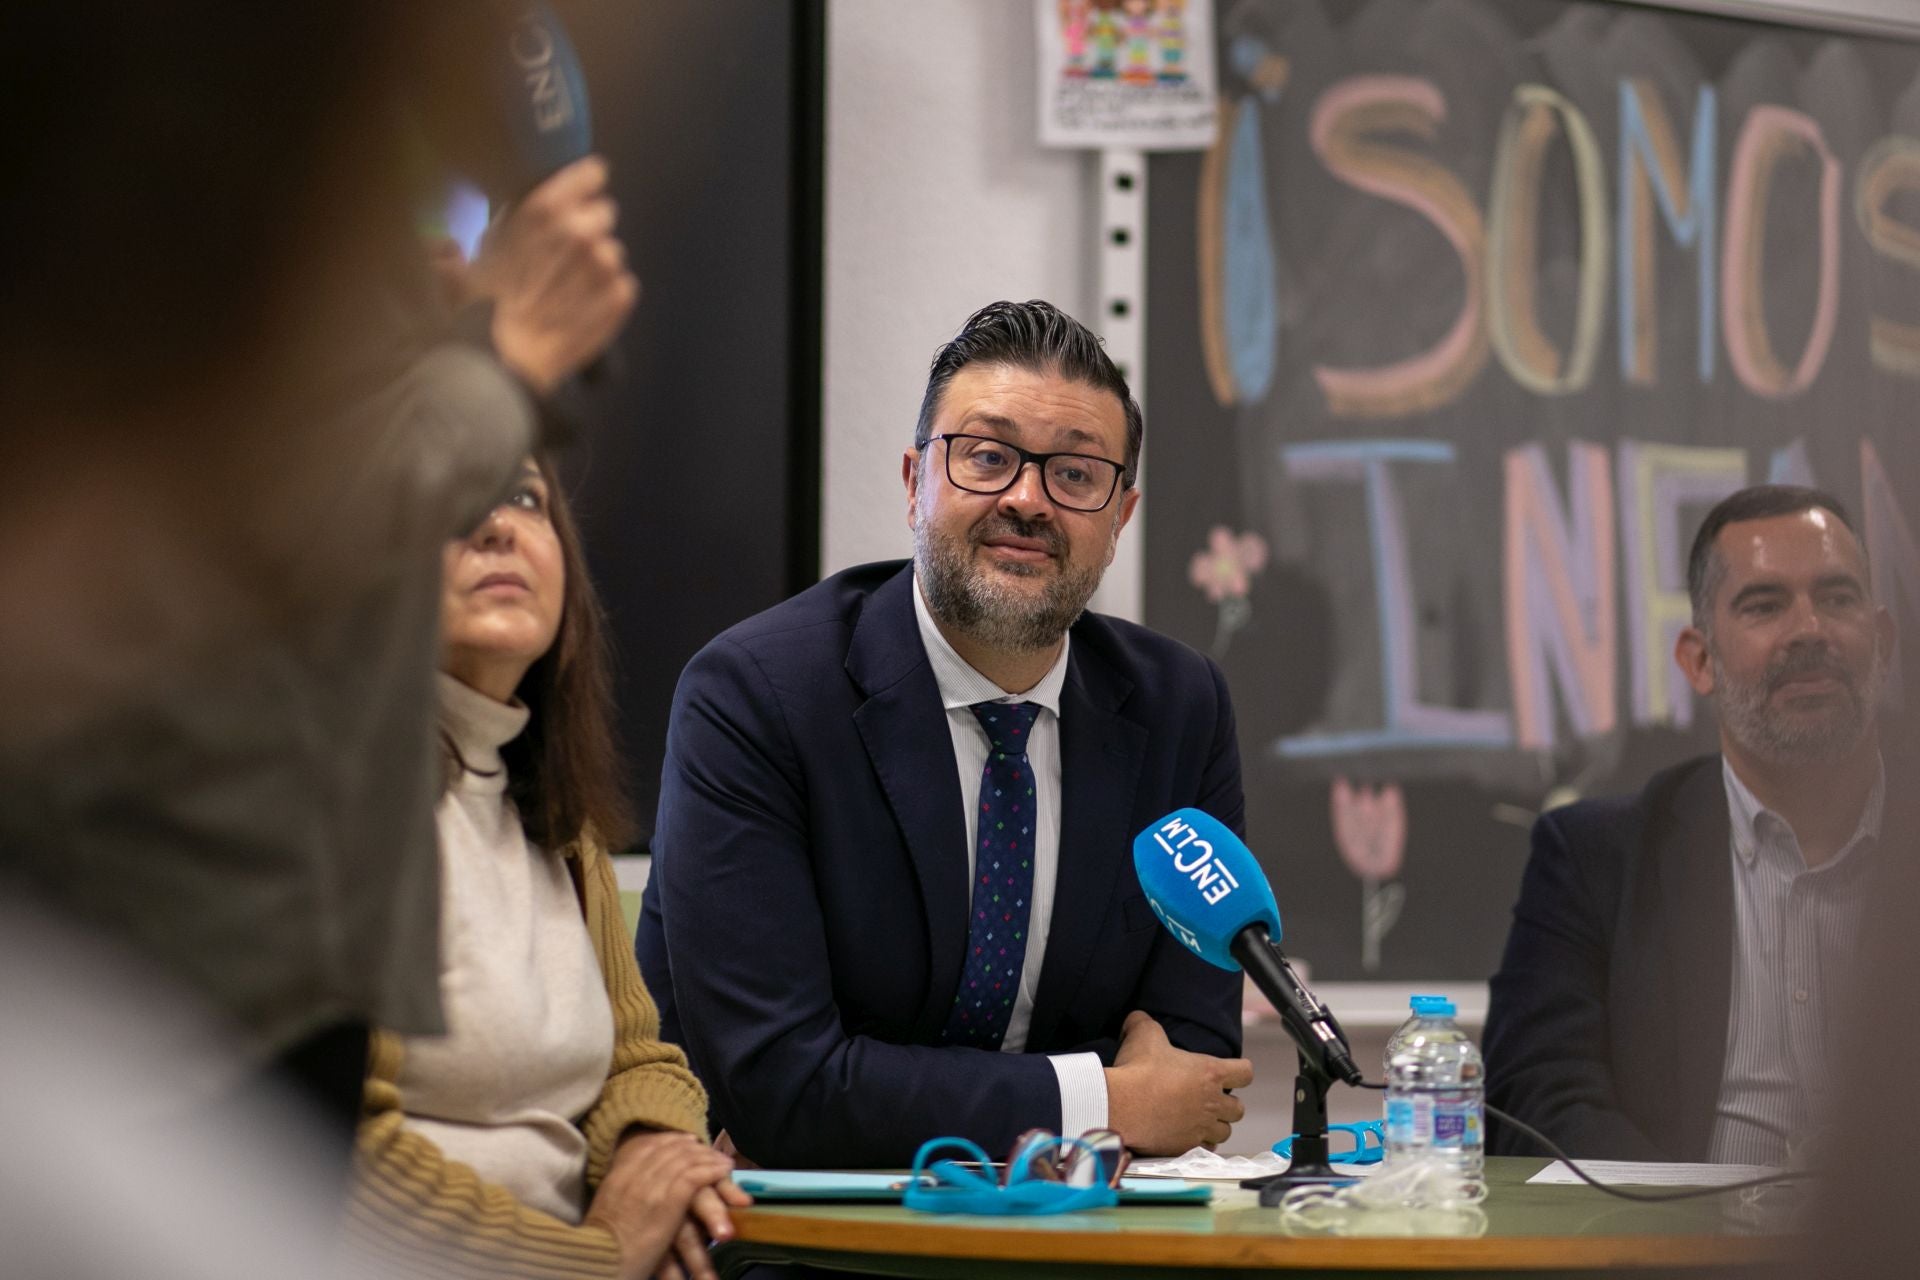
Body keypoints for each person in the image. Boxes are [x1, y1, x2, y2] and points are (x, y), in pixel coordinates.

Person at [636, 300, 1251, 1170]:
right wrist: (1108, 1099)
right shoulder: (756, 698)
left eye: (1076, 474)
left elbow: (1191, 1067)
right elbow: (780, 1087)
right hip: (799, 1233)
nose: (1027, 500)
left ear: (1120, 518)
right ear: (913, 482)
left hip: (1080, 1226)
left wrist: (881, 1090)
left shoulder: (1181, 707)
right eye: (988, 457)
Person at [348, 456, 749, 1280]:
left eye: (525, 497)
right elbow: (331, 1151)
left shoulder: (558, 818)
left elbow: (639, 1061)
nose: (499, 526)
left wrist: (659, 1164)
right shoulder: (316, 806)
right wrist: (598, 1258)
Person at [1484, 484, 1899, 1163]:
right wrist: (1684, 1218)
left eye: (1836, 598)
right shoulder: (1594, 860)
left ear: (1882, 641)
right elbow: (1536, 1100)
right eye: (1765, 605)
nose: (1810, 630)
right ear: (1699, 661)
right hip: (1680, 1228)